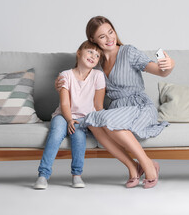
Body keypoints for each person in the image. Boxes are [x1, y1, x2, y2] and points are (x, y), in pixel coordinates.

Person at [56, 16, 175, 189]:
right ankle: (133, 167)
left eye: (110, 32)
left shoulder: (128, 52)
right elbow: (80, 81)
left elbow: (160, 71)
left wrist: (169, 65)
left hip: (139, 106)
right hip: (117, 109)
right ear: (93, 40)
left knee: (109, 120)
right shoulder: (95, 63)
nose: (109, 38)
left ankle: (148, 164)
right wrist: (59, 83)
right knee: (93, 121)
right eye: (102, 36)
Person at [34, 40, 106, 189]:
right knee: (56, 134)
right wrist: (69, 119)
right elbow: (65, 104)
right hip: (63, 115)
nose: (93, 56)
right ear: (79, 52)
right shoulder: (65, 75)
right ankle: (43, 175)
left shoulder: (98, 75)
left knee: (78, 136)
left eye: (97, 55)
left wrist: (102, 121)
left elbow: (98, 105)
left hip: (84, 118)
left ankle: (77, 175)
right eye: (90, 51)